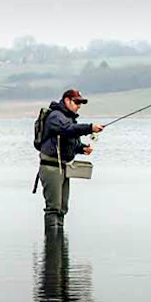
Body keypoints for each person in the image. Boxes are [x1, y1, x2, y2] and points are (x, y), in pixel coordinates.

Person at [38, 89, 104, 230]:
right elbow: (68, 129)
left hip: (63, 168)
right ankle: (51, 240)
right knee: (54, 208)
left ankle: (59, 240)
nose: (79, 106)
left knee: (62, 208)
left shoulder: (68, 118)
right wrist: (90, 128)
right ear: (67, 100)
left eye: (81, 103)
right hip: (51, 168)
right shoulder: (56, 116)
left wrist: (81, 148)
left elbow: (69, 139)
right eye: (76, 102)